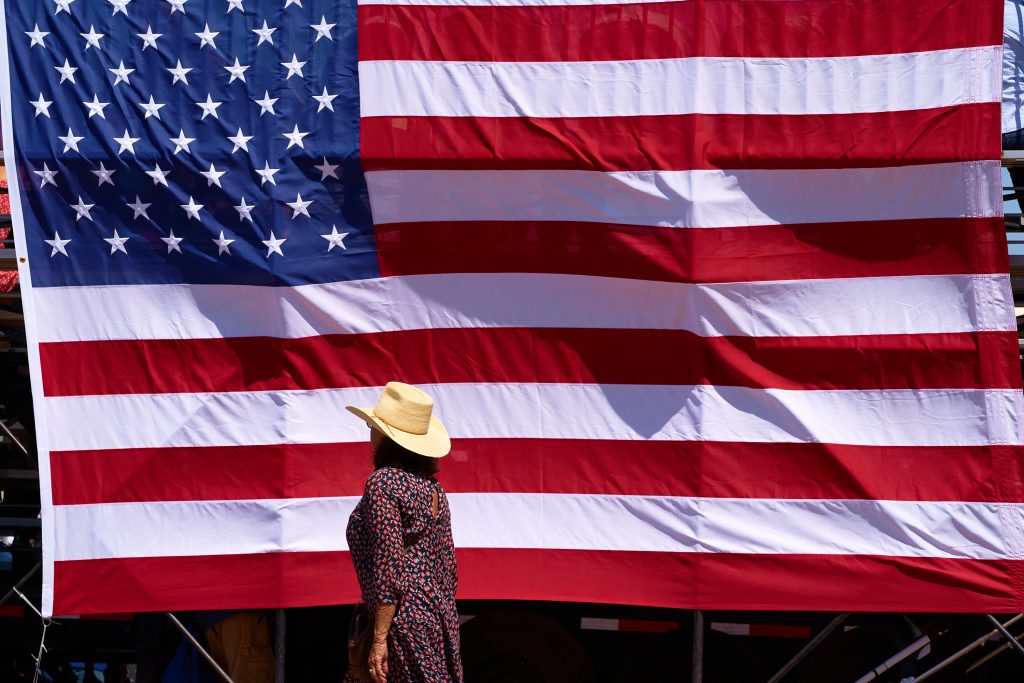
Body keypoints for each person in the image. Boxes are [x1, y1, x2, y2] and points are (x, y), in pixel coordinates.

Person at [343, 382, 463, 683]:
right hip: (435, 618)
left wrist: (380, 637)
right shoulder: (433, 488)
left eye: (373, 426)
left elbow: (389, 564)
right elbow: (448, 570)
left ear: (384, 436)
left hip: (401, 621)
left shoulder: (383, 483)